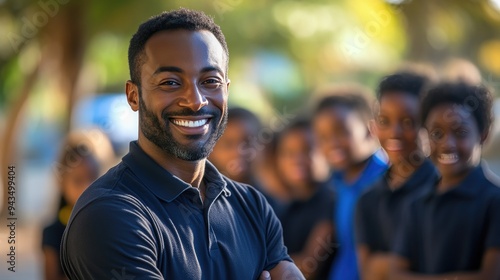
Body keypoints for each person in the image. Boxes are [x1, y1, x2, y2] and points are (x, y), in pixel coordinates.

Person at [60, 9, 304, 279]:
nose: (196, 100)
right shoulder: (109, 214)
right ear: (133, 96)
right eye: (171, 83)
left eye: (210, 81)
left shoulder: (252, 206)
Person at [391, 82, 500, 279]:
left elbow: (491, 276)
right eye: (436, 133)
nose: (447, 144)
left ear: (483, 135)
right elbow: (396, 273)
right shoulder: (416, 205)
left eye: (460, 132)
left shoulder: (494, 202)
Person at [355, 73, 438, 280]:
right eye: (384, 120)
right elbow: (369, 272)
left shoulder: (442, 188)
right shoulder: (368, 198)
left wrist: (385, 266)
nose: (395, 132)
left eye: (409, 121)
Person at [312, 85, 389, 280]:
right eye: (323, 137)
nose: (332, 143)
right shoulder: (336, 183)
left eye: (341, 132)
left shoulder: (387, 179)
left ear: (371, 129)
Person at [42, 129, 114, 280]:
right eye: (78, 180)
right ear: (62, 182)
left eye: (92, 178)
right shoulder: (53, 233)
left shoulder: (112, 226)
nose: (86, 188)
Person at [274, 119, 336, 279]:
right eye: (289, 153)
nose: (297, 160)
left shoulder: (331, 200)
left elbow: (309, 266)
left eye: (307, 150)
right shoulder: (286, 208)